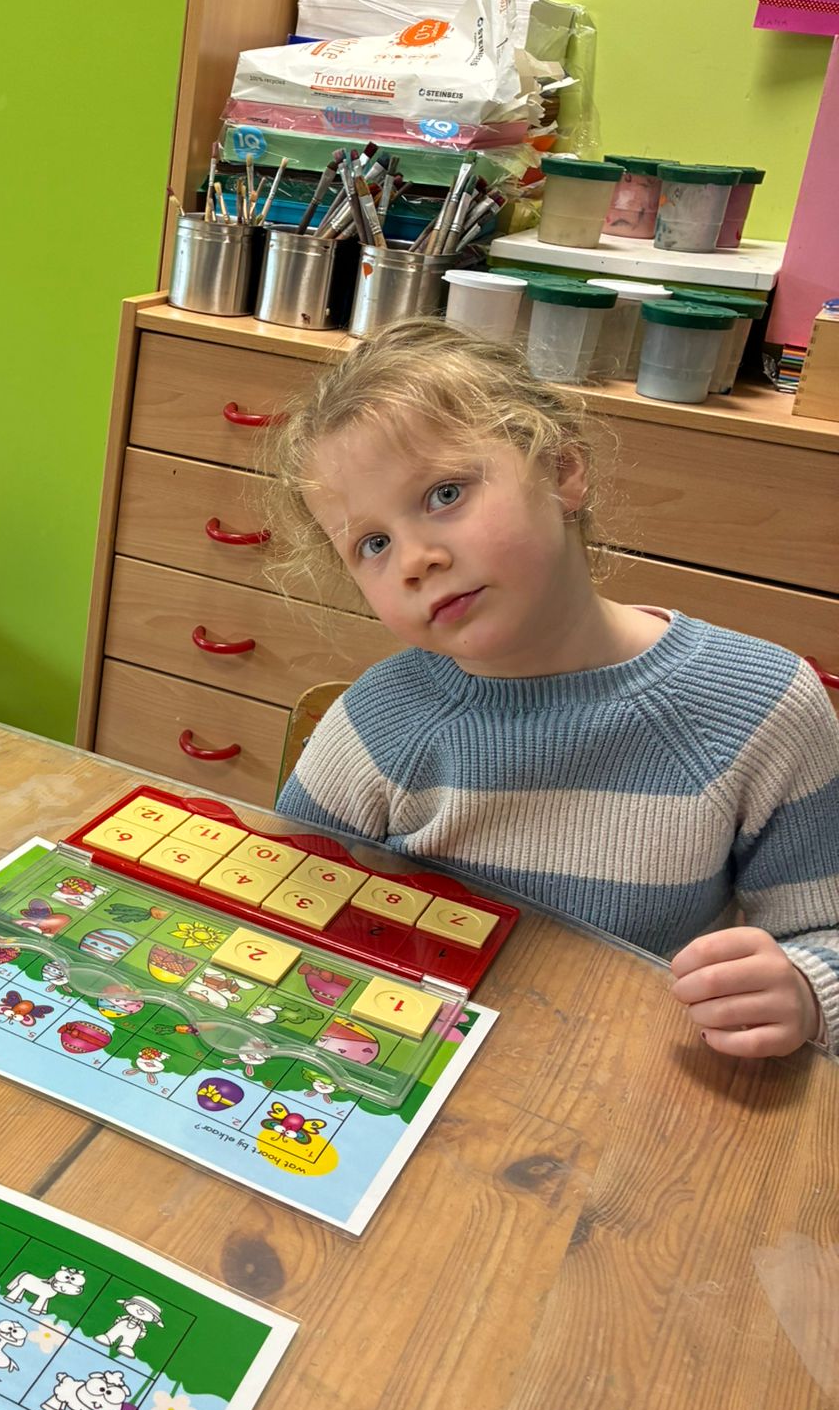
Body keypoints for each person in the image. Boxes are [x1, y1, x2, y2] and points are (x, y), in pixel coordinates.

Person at [269, 318, 839, 1061]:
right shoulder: (375, 724)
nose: (415, 560)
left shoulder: (762, 705)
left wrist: (802, 991)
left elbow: (824, 932)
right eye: (372, 544)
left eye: (445, 493)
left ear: (563, 470)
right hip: (408, 1064)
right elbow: (281, 907)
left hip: (628, 1077)